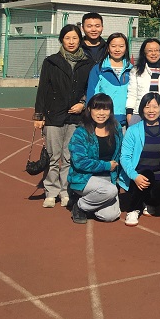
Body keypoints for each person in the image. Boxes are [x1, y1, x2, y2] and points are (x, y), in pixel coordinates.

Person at [33, 24, 95, 209]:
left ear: (80, 40)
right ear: (61, 40)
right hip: (54, 116)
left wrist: (83, 104)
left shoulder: (88, 63)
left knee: (69, 157)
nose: (71, 42)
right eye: (67, 38)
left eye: (75, 38)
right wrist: (39, 115)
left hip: (76, 117)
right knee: (53, 157)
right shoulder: (51, 62)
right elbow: (43, 89)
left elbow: (90, 88)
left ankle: (65, 191)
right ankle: (51, 192)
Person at [67, 94, 122, 224]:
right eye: (97, 109)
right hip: (85, 178)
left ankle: (89, 203)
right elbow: (79, 162)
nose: (101, 113)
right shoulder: (81, 132)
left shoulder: (116, 128)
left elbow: (120, 153)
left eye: (106, 109)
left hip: (107, 178)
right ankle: (79, 205)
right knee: (110, 190)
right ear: (89, 109)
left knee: (110, 216)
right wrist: (106, 165)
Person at [119, 92, 160, 226]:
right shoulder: (133, 130)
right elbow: (125, 157)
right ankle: (133, 209)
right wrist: (134, 176)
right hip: (136, 175)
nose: (151, 110)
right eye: (147, 107)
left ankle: (148, 202)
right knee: (146, 175)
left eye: (155, 106)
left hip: (158, 174)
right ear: (142, 109)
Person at [86, 32, 132, 128]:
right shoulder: (98, 69)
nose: (117, 50)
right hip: (103, 120)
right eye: (113, 46)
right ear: (108, 48)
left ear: (126, 48)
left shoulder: (132, 70)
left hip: (126, 121)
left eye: (121, 46)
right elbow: (91, 95)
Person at [126, 38, 160, 126]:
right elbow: (132, 93)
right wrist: (129, 113)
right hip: (139, 114)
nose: (153, 53)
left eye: (157, 50)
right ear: (144, 53)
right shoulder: (136, 71)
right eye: (150, 51)